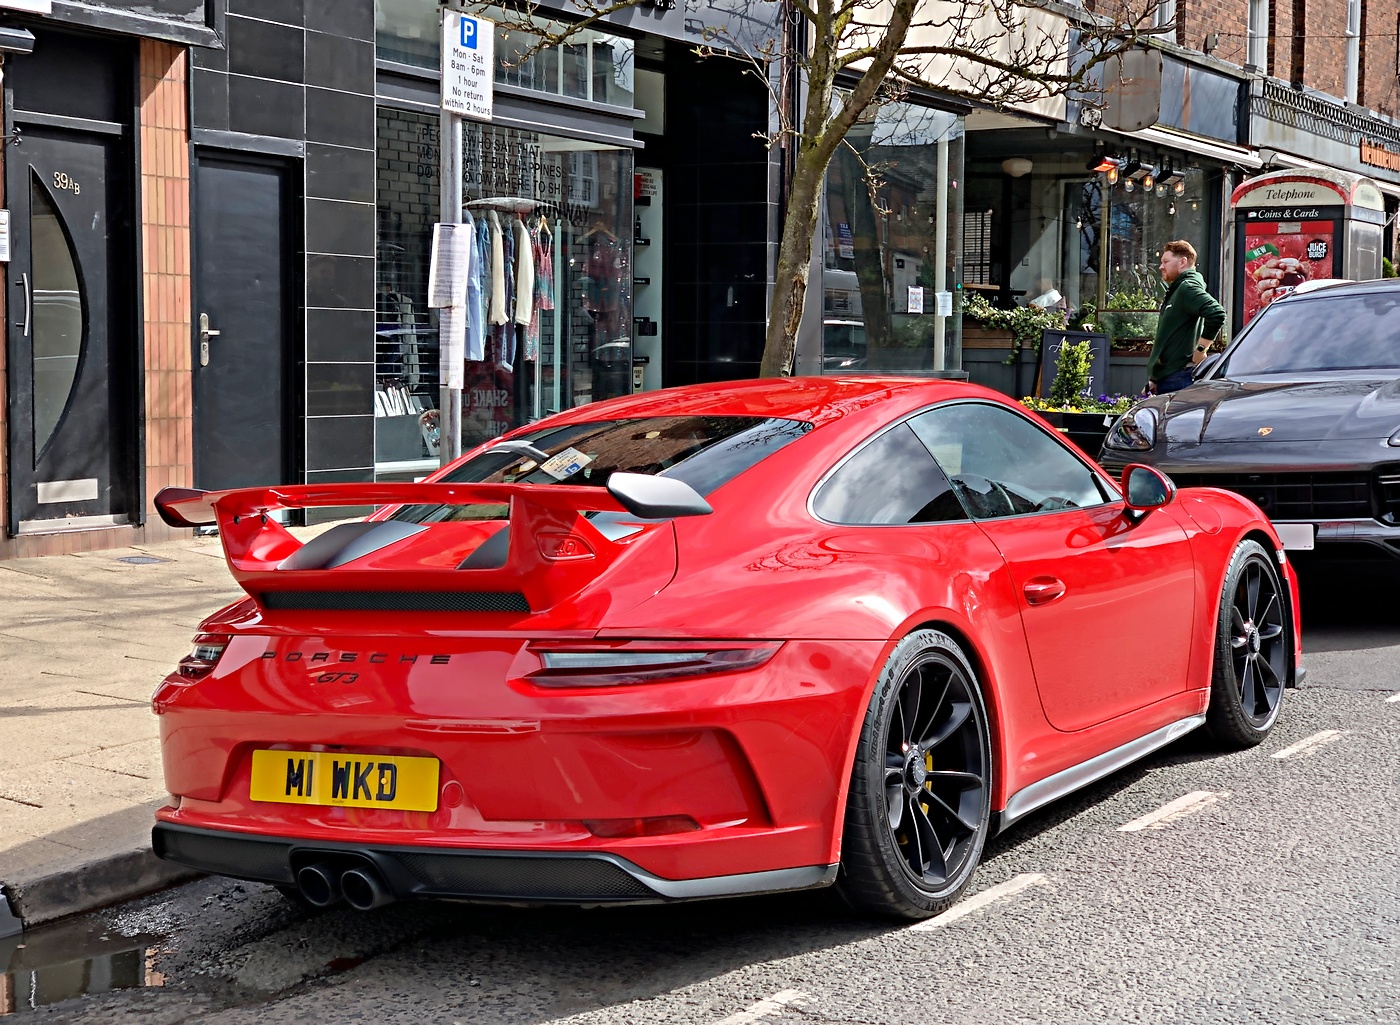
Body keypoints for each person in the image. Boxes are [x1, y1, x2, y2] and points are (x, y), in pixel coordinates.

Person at [1143, 240, 1225, 395]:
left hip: (1180, 379)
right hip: (1169, 378)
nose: (1161, 267)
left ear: (1182, 262)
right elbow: (1170, 336)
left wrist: (1201, 350)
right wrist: (1155, 379)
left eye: (1166, 261)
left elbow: (1217, 313)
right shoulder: (1178, 289)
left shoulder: (1186, 288)